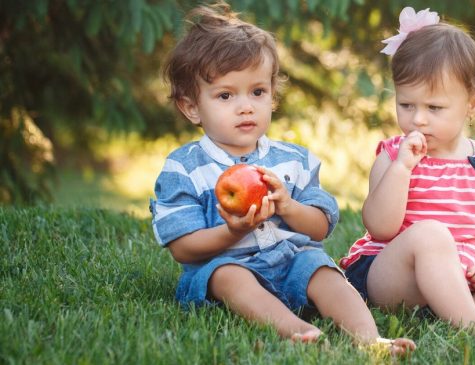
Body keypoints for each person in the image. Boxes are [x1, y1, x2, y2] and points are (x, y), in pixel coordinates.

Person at [150, 3, 415, 355]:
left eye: (257, 92)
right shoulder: (184, 167)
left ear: (273, 96)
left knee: (322, 268)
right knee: (227, 276)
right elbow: (181, 246)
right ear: (191, 106)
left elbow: (320, 227)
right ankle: (297, 330)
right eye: (226, 95)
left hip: (291, 261)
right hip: (228, 266)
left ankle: (370, 339)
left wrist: (289, 207)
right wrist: (232, 232)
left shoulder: (294, 160)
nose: (246, 106)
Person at [339, 7, 475, 346]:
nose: (418, 120)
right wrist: (401, 169)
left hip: (460, 282)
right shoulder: (393, 154)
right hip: (392, 278)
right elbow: (379, 226)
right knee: (431, 234)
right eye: (406, 105)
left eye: (434, 108)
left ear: (473, 103)